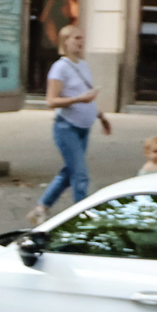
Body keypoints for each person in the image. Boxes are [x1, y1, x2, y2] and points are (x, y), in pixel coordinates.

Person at [32, 26, 107, 218]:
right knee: (80, 175)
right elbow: (51, 101)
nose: (80, 42)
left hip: (84, 127)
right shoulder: (60, 67)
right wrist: (77, 100)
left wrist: (100, 116)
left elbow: (87, 95)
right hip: (66, 127)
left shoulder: (84, 65)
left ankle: (41, 208)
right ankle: (81, 216)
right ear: (65, 41)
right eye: (76, 38)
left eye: (82, 38)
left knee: (69, 171)